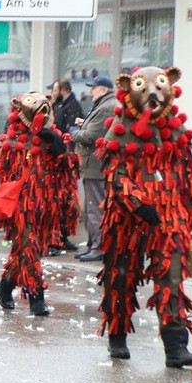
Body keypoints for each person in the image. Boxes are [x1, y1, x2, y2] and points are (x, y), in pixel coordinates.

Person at [94, 66, 192, 367]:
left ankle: (176, 346)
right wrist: (137, 204)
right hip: (127, 218)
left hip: (169, 215)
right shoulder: (119, 128)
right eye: (142, 86)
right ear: (129, 89)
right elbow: (115, 175)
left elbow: (187, 174)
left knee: (171, 276)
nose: (152, 93)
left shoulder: (176, 130)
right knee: (121, 276)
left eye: (159, 85)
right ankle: (117, 336)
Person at [0, 91, 69, 316]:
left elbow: (68, 167)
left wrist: (58, 147)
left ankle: (5, 287)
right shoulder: (11, 142)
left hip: (45, 207)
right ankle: (36, 297)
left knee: (26, 251)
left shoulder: (50, 138)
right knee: (29, 246)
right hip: (19, 207)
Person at [72, 75, 117, 262]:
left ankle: (98, 247)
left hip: (96, 166)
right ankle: (93, 245)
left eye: (94, 88)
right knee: (92, 207)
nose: (90, 91)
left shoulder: (107, 106)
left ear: (104, 89)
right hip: (94, 165)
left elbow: (92, 136)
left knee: (95, 208)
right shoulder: (104, 105)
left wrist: (74, 133)